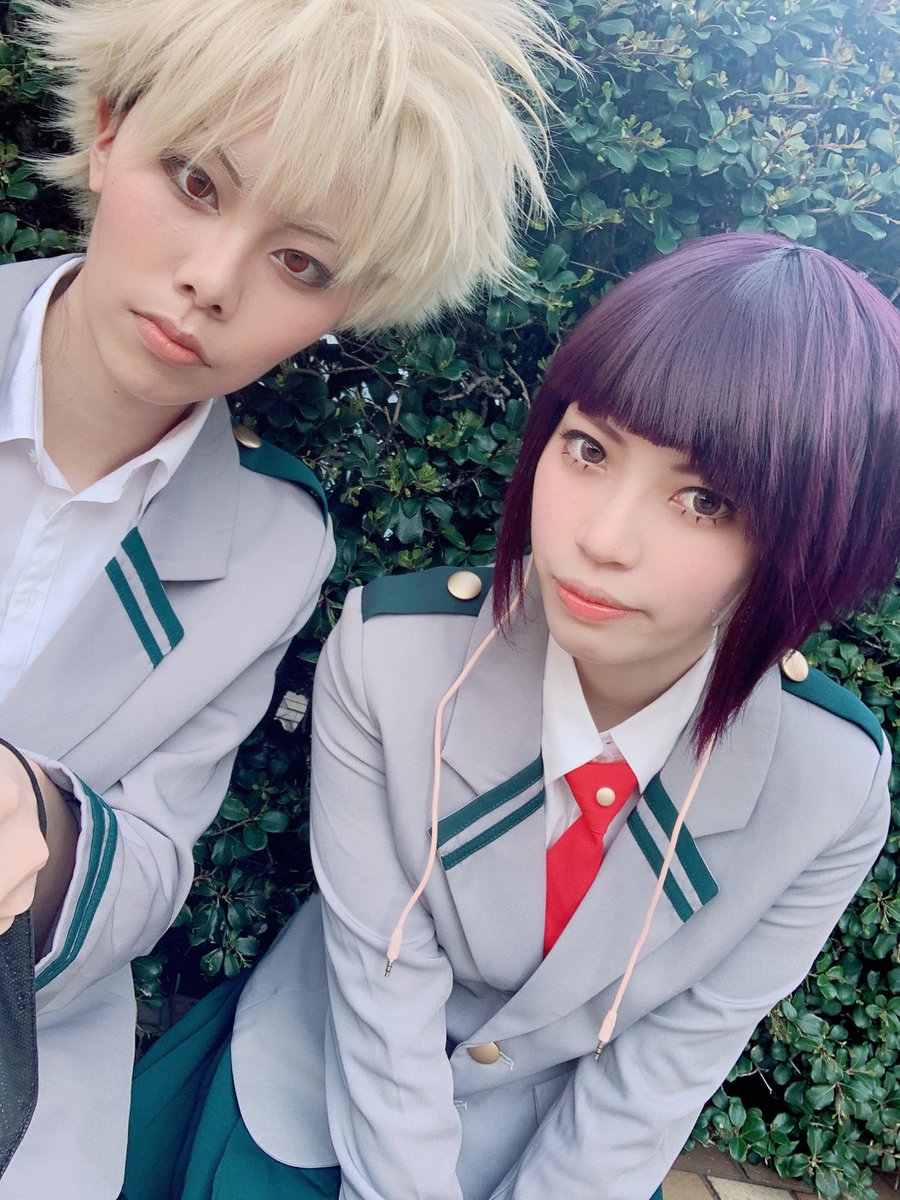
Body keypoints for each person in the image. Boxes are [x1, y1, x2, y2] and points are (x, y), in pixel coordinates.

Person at [125, 230, 900, 1200]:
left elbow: (664, 1069)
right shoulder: (395, 657)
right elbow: (381, 991)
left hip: (553, 1158)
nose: (602, 538)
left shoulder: (828, 786)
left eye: (705, 500)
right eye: (588, 449)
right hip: (314, 1095)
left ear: (816, 543)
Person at [0, 0, 566, 1195]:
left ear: (347, 304)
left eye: (300, 262)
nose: (211, 282)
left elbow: (153, 866)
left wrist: (39, 827)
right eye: (196, 182)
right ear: (106, 130)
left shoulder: (273, 544)